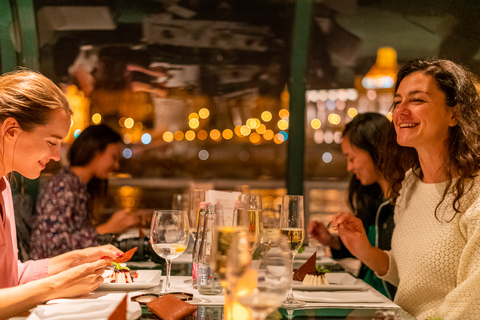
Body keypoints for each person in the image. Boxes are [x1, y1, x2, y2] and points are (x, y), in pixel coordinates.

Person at [330, 58, 480, 320]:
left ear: (454, 113)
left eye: (417, 100)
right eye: (398, 101)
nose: (400, 111)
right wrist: (363, 249)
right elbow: (409, 276)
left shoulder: (475, 193)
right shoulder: (411, 183)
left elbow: (471, 304)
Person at [0, 69, 123, 319]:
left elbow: (12, 278)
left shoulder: (3, 186)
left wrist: (77, 259)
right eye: (51, 142)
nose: (57, 156)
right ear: (11, 130)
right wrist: (57, 286)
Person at [307, 112, 396, 299]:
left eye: (352, 158)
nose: (349, 167)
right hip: (364, 296)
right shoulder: (373, 198)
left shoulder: (405, 203)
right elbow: (367, 249)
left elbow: (390, 263)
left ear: (375, 150)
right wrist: (332, 240)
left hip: (387, 305)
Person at [30, 123, 143, 259]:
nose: (117, 165)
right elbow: (52, 248)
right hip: (53, 274)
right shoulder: (64, 186)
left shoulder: (79, 185)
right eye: (114, 157)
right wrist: (107, 229)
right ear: (95, 151)